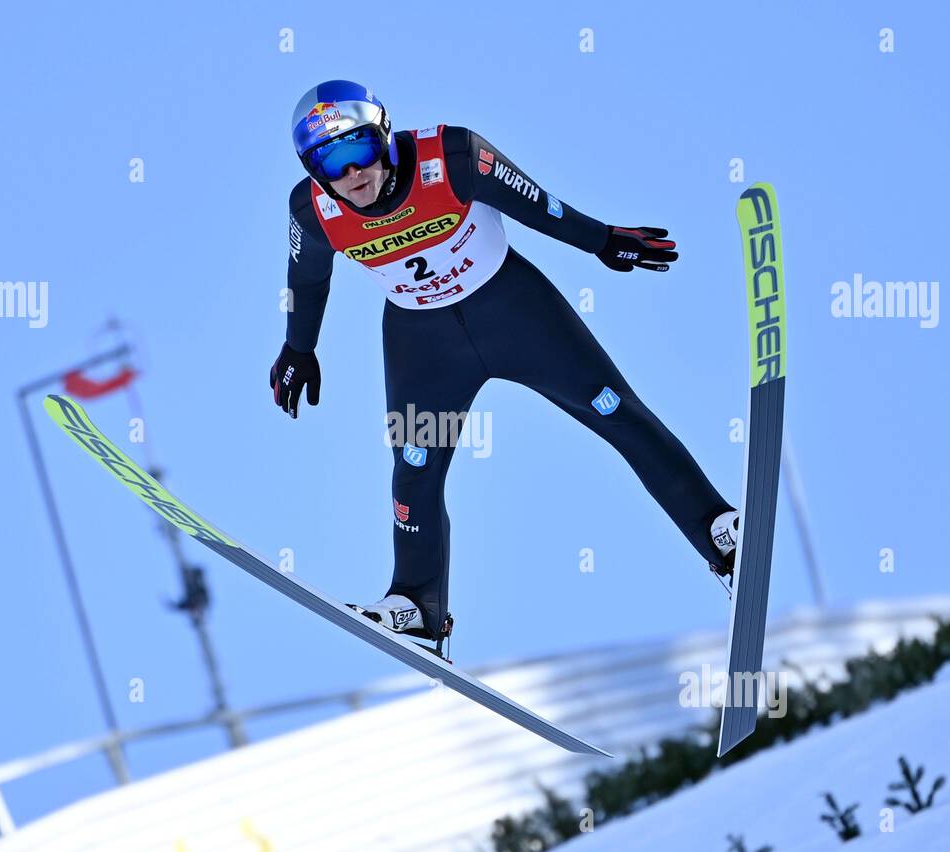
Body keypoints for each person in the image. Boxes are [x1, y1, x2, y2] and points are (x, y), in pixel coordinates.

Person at [273, 80, 738, 659]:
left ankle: (721, 532)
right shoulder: (314, 211)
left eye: (360, 149)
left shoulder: (453, 156)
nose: (352, 174)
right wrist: (299, 348)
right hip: (424, 345)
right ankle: (418, 608)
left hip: (514, 313)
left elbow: (538, 204)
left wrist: (602, 241)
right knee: (414, 469)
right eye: (329, 163)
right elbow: (308, 279)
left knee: (614, 411)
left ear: (385, 135)